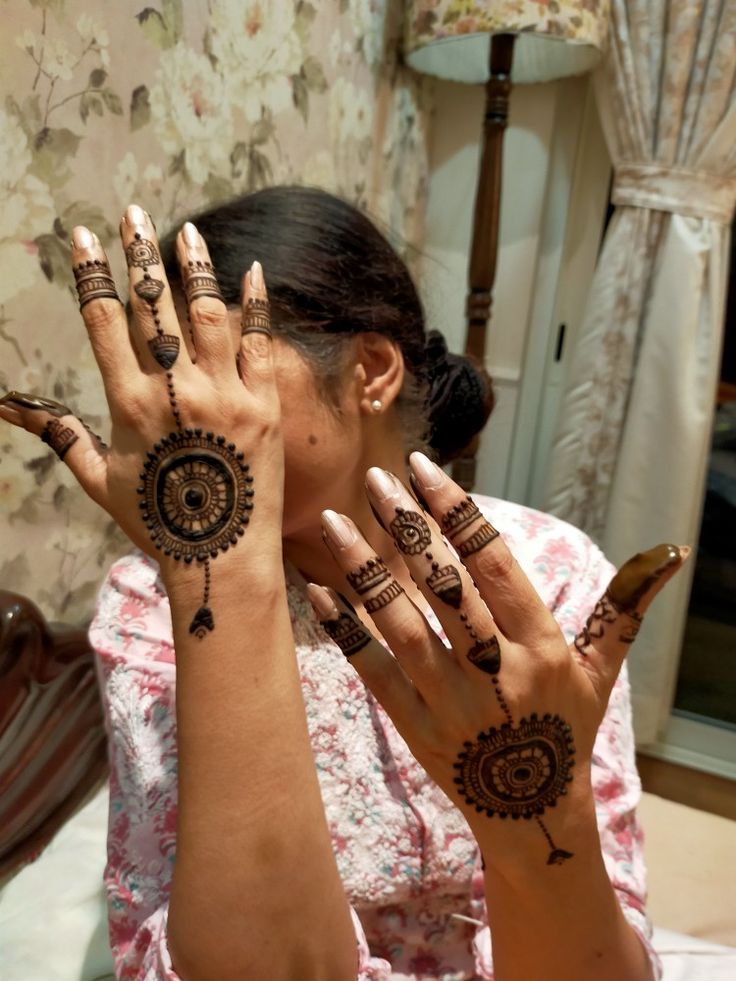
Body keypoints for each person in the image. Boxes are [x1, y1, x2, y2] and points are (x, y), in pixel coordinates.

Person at [0, 187, 686, 981]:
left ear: (371, 371)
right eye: (171, 384)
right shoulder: (155, 601)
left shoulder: (546, 576)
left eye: (226, 368)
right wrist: (222, 565)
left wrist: (537, 835)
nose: (190, 415)